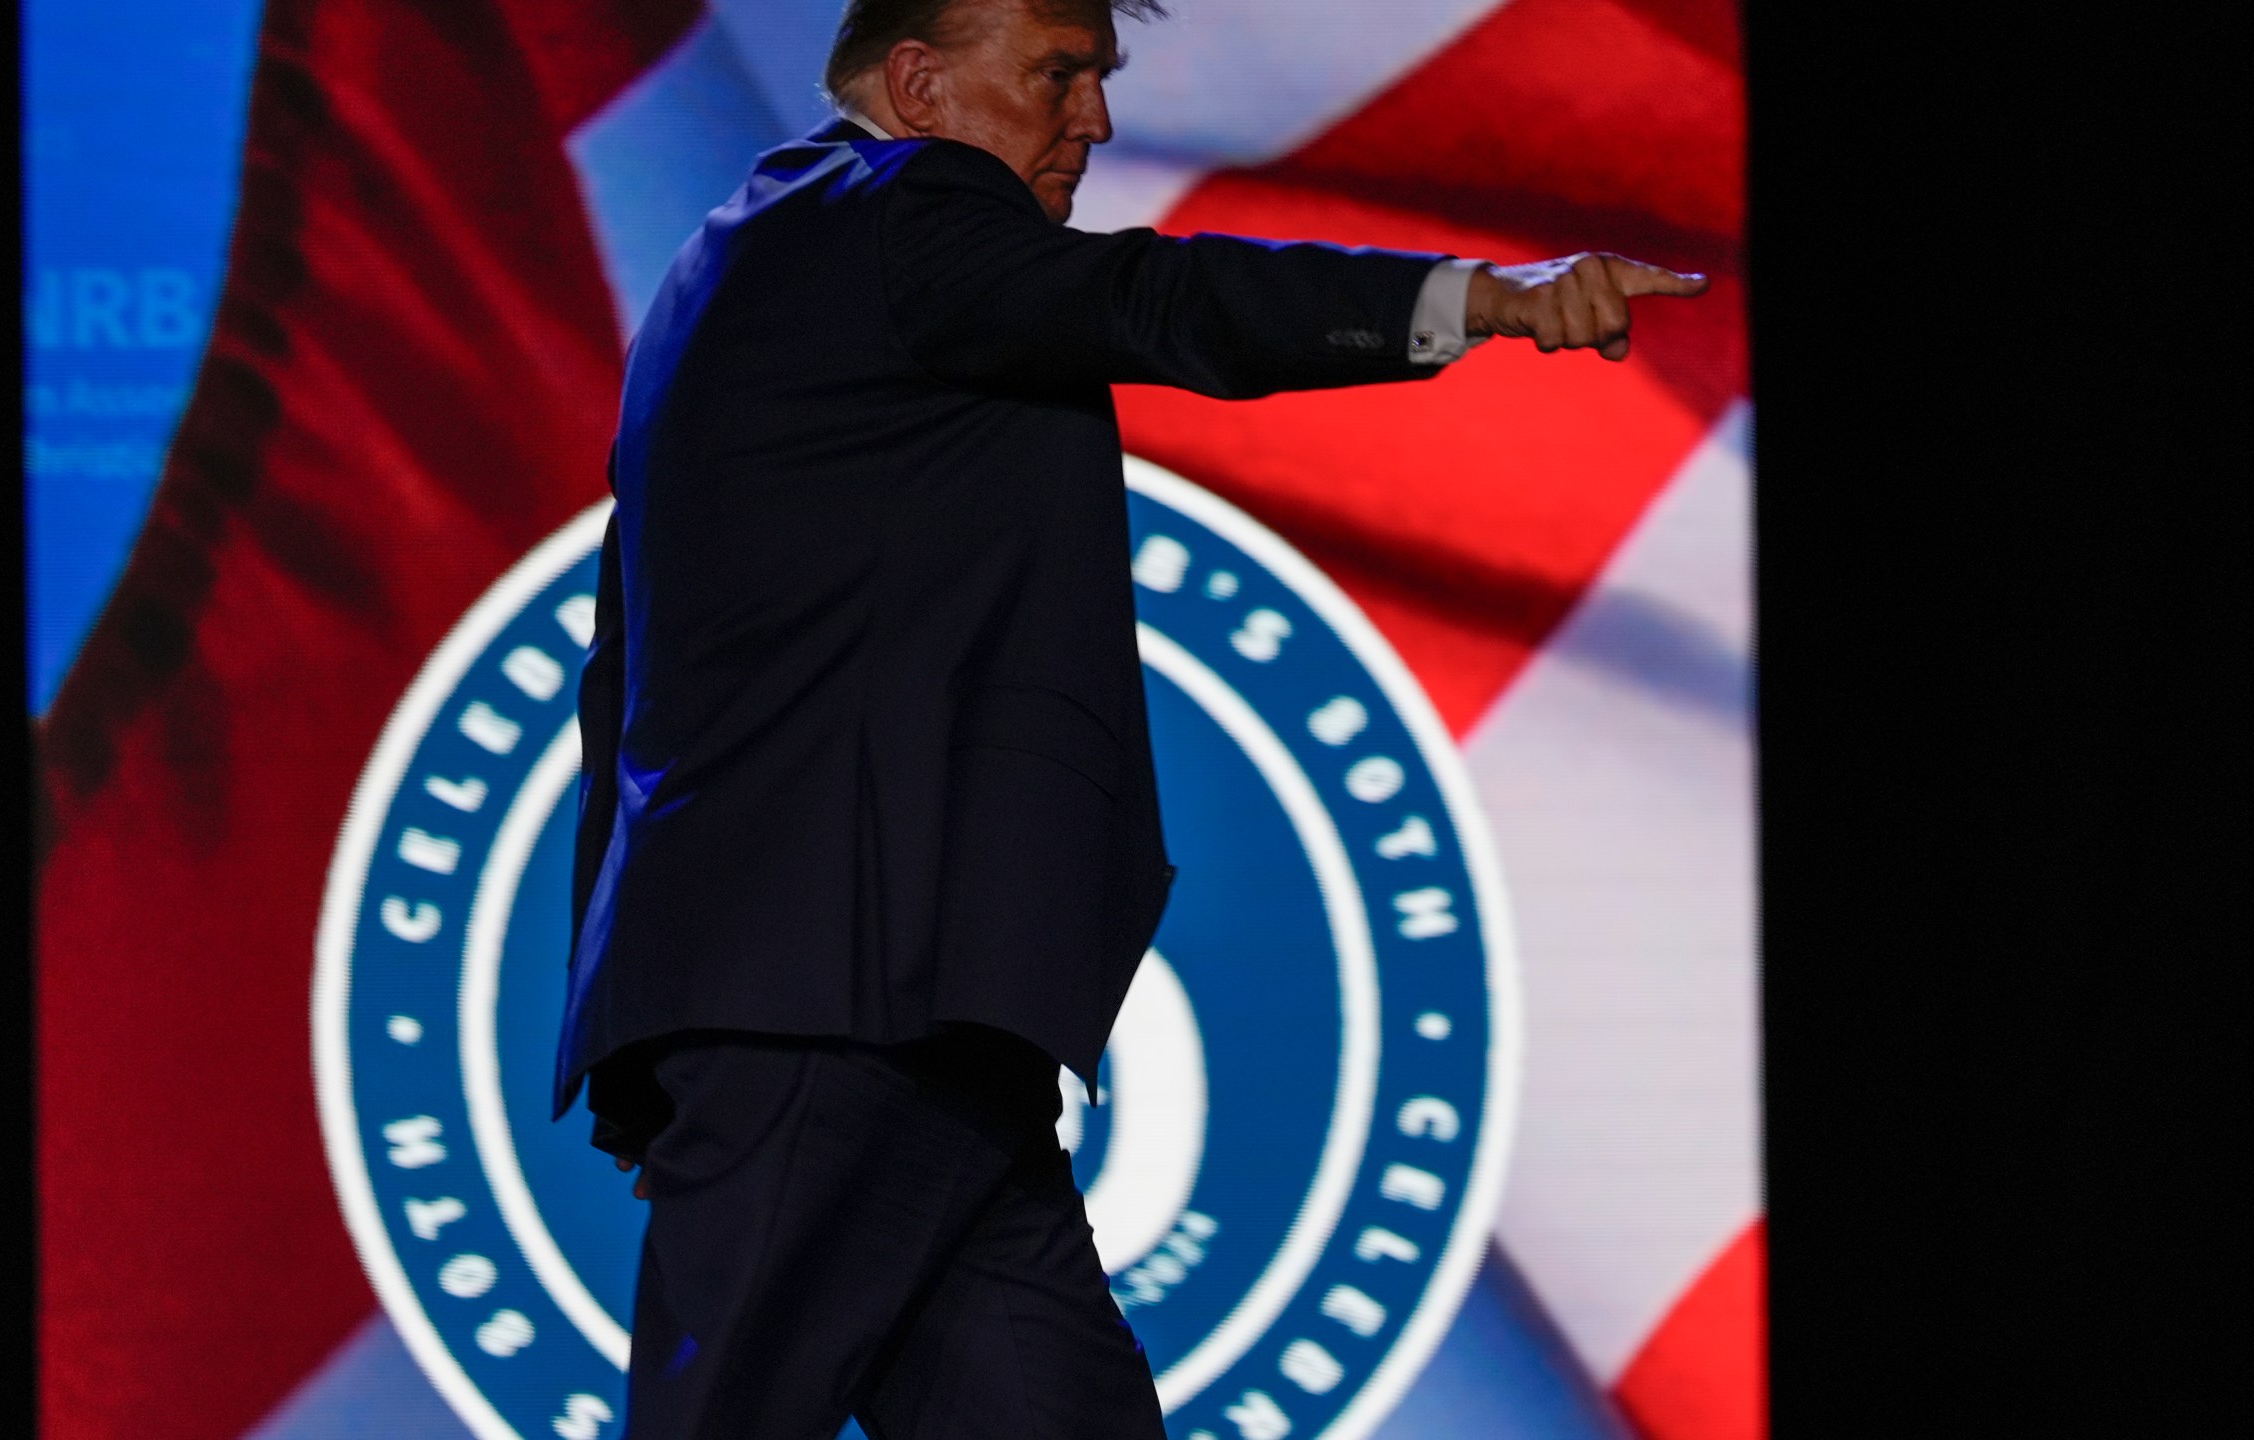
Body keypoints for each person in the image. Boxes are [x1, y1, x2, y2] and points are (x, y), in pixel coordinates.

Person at [555, 1, 1709, 1434]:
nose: (1091, 121)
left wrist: (634, 1005)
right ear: (919, 85)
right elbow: (1159, 302)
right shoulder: (901, 209)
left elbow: (629, 674)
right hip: (838, 1002)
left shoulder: (730, 269)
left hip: (900, 1021)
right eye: (1058, 75)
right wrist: (1485, 299)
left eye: (1099, 78)